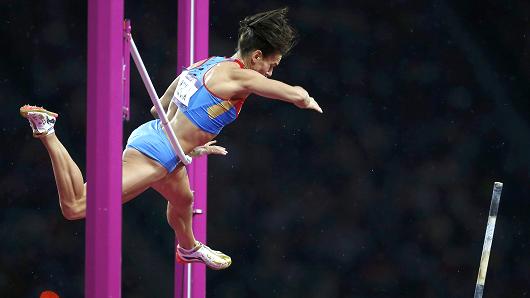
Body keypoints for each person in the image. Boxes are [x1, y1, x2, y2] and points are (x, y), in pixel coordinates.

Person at [20, 7, 322, 270]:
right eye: (271, 64)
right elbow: (292, 93)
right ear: (256, 56)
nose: (270, 72)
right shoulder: (240, 76)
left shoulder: (206, 63)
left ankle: (188, 248)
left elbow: (159, 107)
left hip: (159, 139)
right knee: (77, 206)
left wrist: (193, 138)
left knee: (183, 199)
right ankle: (47, 132)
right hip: (158, 152)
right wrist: (306, 98)